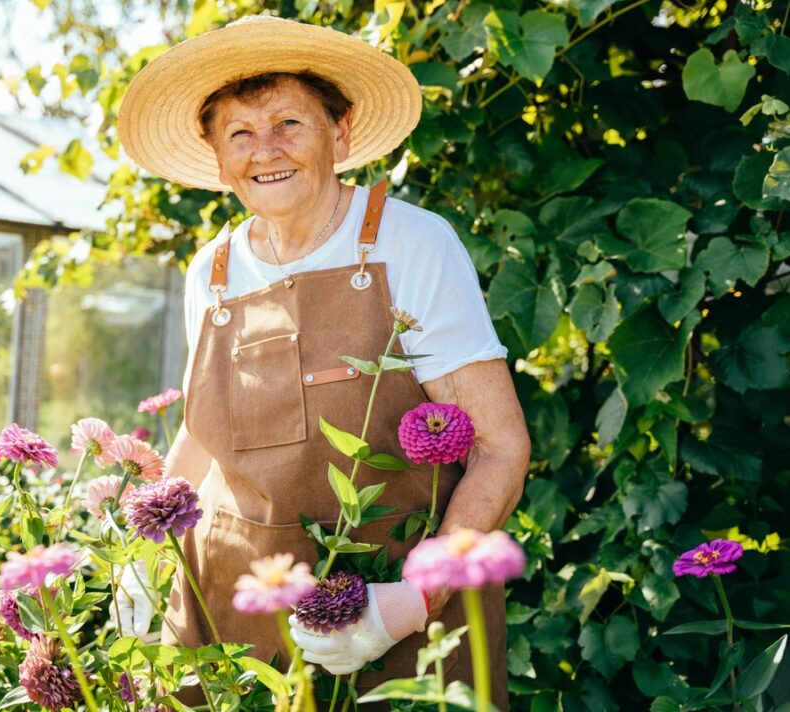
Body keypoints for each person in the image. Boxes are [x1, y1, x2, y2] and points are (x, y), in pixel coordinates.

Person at [114, 14, 530, 708]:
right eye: (239, 133)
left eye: (289, 124)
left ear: (339, 133)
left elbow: (500, 446)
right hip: (233, 608)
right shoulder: (209, 272)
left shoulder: (411, 245)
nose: (264, 150)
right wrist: (143, 557)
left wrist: (413, 599)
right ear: (218, 159)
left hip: (391, 608)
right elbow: (204, 434)